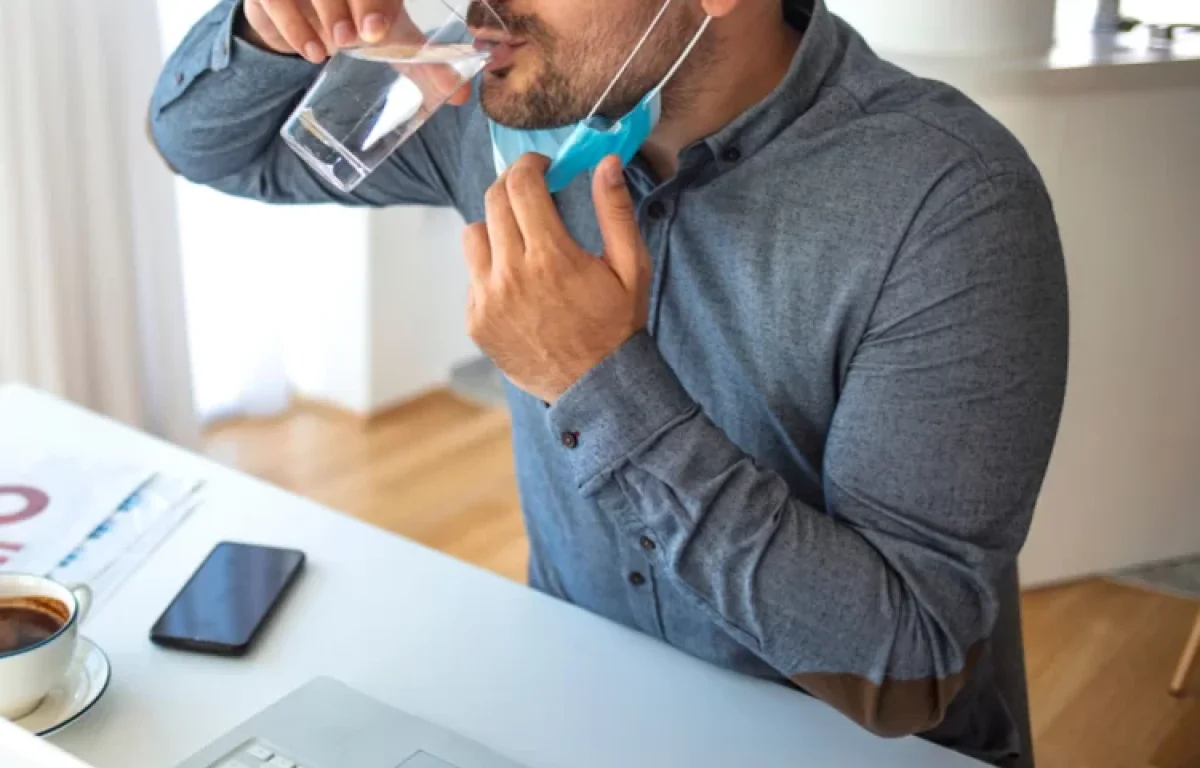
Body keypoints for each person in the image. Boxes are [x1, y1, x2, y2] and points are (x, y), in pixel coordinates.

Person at [149, 0, 1069, 765]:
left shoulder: (950, 200)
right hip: (571, 703)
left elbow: (907, 659)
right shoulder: (493, 113)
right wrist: (272, 29)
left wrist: (594, 378)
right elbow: (218, 149)